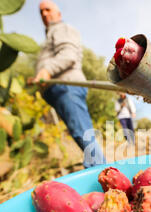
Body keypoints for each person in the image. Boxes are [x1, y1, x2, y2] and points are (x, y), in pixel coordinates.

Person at [30, 0, 106, 168]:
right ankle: (99, 169)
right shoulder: (52, 34)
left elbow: (68, 55)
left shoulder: (61, 29)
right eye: (41, 12)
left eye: (47, 9)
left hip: (68, 87)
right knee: (79, 132)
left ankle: (101, 172)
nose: (44, 14)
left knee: (82, 133)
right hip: (61, 90)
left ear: (58, 13)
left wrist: (46, 70)